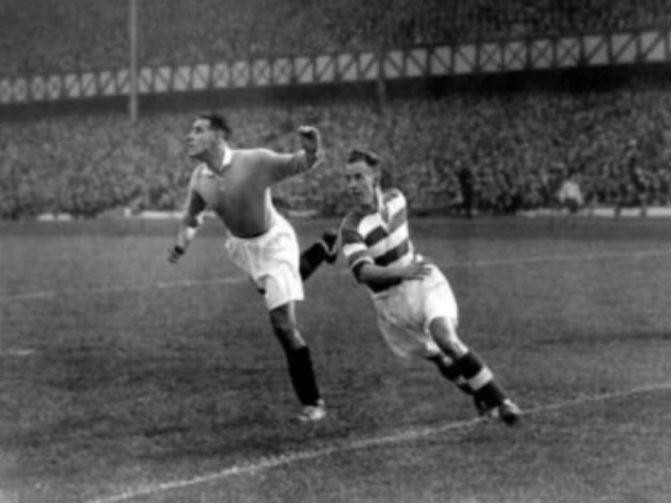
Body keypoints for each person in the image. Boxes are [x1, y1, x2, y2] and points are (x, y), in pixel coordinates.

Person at [168, 113, 336, 422]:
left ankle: (314, 403)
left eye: (198, 130)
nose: (189, 136)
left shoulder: (255, 161)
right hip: (242, 248)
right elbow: (192, 218)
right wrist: (183, 241)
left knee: (282, 324)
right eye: (190, 130)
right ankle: (325, 247)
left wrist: (312, 149)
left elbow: (300, 163)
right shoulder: (199, 178)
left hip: (275, 242)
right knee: (281, 286)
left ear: (219, 136)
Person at [339, 149, 521, 424]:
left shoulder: (397, 198)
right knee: (442, 358)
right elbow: (363, 272)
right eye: (348, 179)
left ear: (375, 177)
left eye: (358, 177)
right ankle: (479, 391)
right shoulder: (351, 226)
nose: (352, 185)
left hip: (422, 280)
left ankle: (502, 402)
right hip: (392, 304)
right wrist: (399, 270)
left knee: (447, 339)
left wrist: (408, 269)